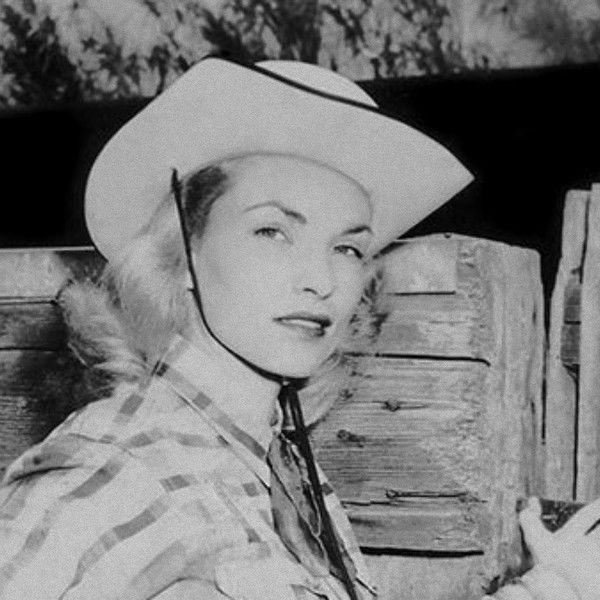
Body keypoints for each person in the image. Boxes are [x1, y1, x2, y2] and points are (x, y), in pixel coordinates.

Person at [0, 56, 598, 600]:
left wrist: (553, 589)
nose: (321, 280)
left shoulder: (283, 474)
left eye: (347, 248)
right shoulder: (117, 471)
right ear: (182, 254)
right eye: (272, 231)